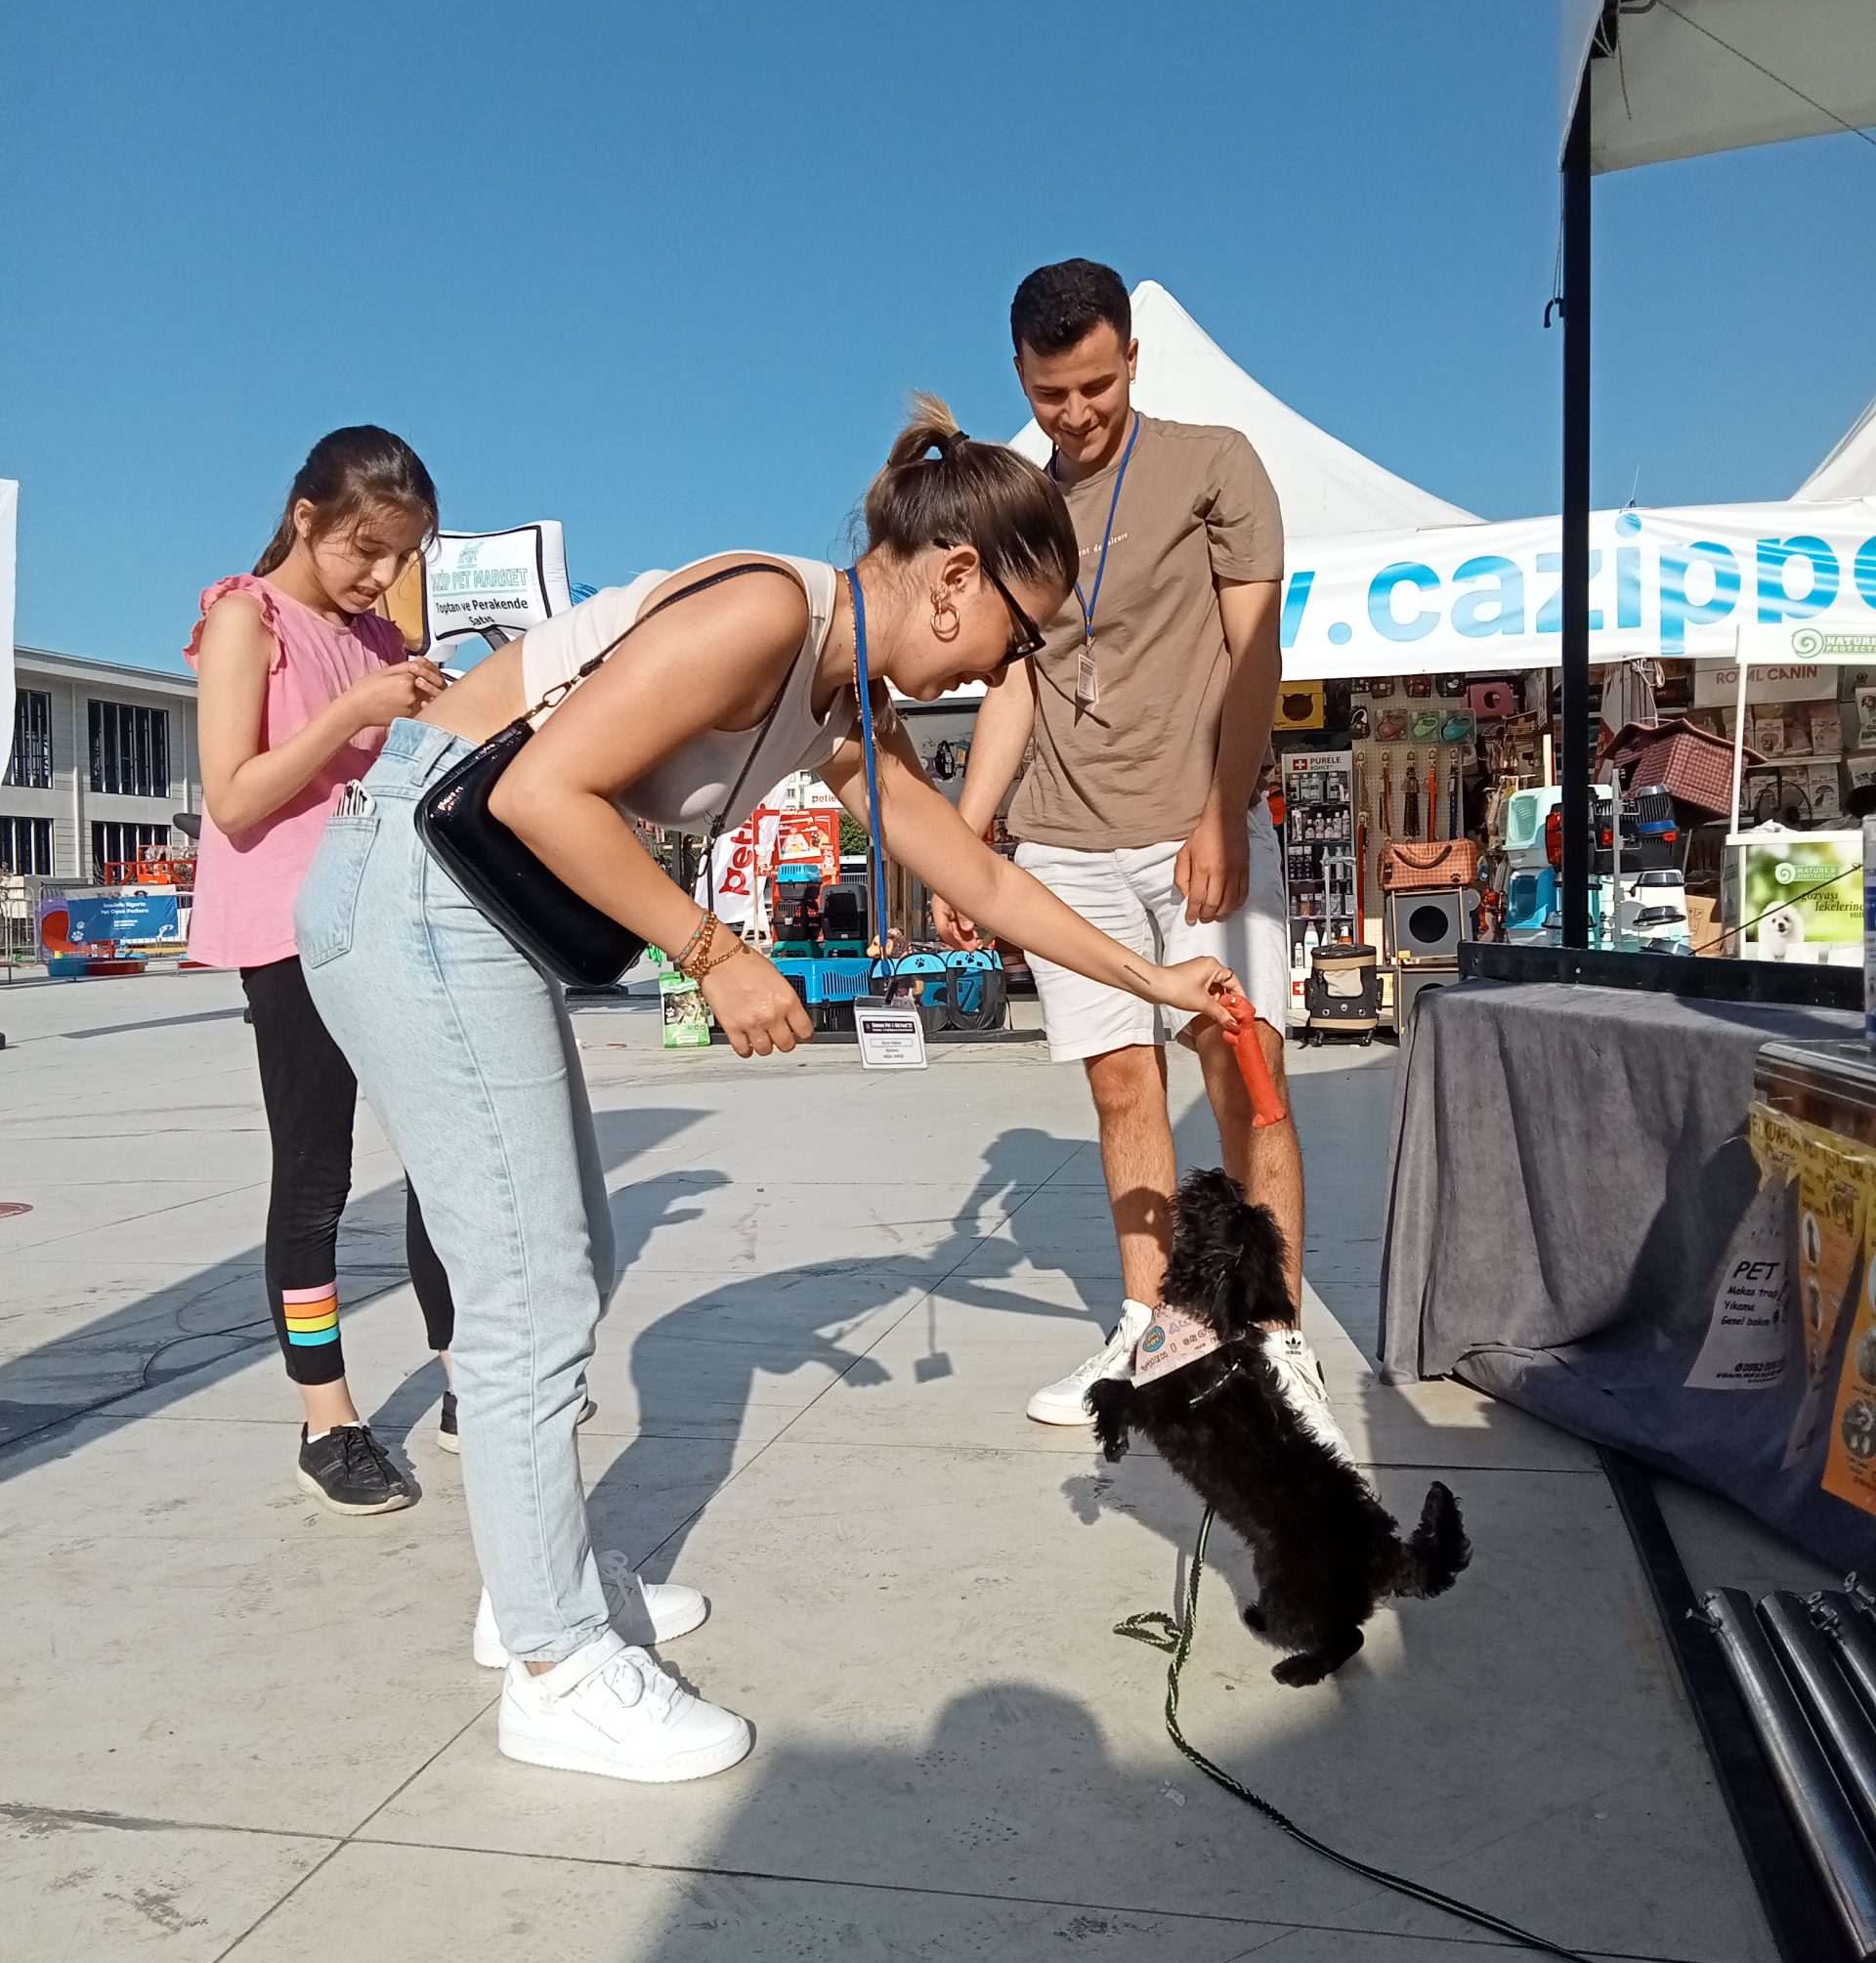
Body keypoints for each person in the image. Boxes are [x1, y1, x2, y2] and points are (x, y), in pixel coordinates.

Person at [294, 397, 1239, 1787]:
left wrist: (1149, 981)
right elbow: (538, 792)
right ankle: (555, 1665)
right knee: (527, 1291)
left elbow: (973, 875)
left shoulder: (839, 702)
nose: (1010, 671)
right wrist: (715, 952)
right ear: (957, 576)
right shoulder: (764, 617)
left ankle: (532, 1587)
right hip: (411, 896)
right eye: (1018, 640)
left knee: (564, 1265)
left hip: (459, 914)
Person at [930, 259, 1311, 1424]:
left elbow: (1257, 654)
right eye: (1053, 394)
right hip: (1064, 839)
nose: (1077, 413)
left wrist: (1219, 806)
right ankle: (1149, 1326)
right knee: (1116, 1083)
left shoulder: (1214, 463)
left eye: (1096, 385)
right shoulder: (1016, 508)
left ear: (1132, 358)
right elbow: (1011, 686)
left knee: (1241, 1064)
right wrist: (965, 832)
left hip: (1196, 822)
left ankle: (1273, 1327)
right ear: (1021, 379)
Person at [189, 426, 459, 1514]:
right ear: (304, 518)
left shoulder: (376, 632)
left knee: (443, 1162)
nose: (380, 575)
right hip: (288, 934)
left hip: (381, 919)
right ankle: (328, 1417)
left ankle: (464, 1381)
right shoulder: (246, 616)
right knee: (314, 1183)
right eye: (364, 548)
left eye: (399, 556)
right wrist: (355, 709)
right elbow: (236, 795)